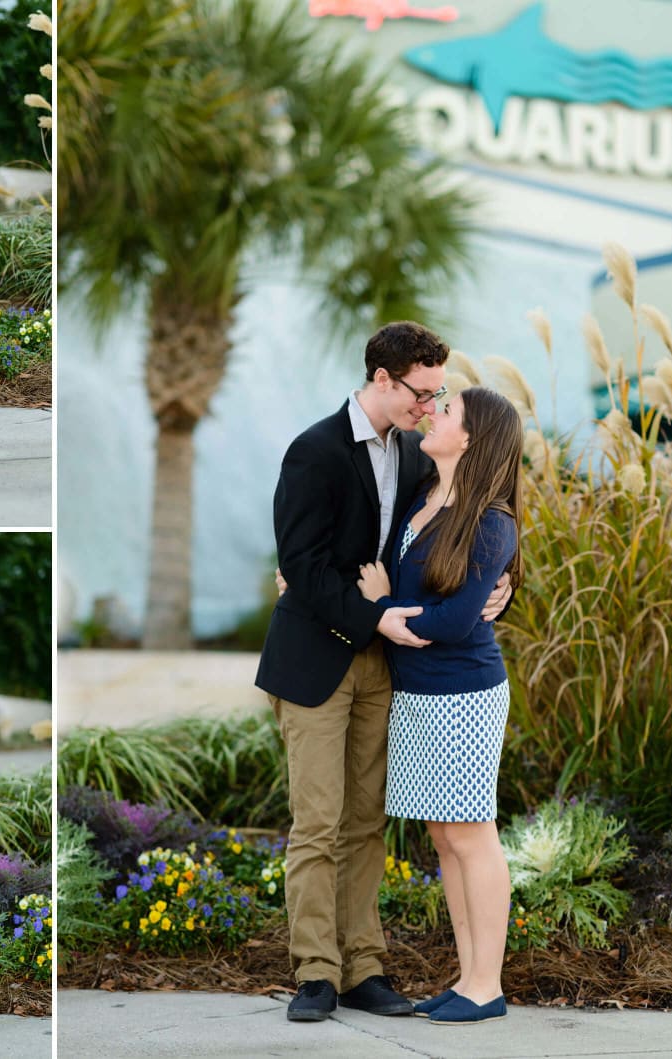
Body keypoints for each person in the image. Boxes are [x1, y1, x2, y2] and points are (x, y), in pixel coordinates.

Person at [254, 321, 511, 1023]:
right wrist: (375, 618)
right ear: (381, 378)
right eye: (420, 393)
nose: (429, 408)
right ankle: (316, 972)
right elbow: (301, 566)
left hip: (384, 667)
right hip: (316, 661)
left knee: (367, 823)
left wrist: (505, 583)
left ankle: (364, 965)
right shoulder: (312, 452)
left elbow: (469, 530)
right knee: (317, 822)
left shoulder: (417, 456)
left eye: (437, 396)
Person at [354, 386, 523, 1026]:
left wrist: (382, 607)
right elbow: (431, 594)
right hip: (418, 693)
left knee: (472, 836)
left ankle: (488, 984)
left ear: (471, 437)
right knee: (444, 835)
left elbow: (454, 621)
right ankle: (466, 976)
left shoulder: (491, 519)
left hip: (465, 694)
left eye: (446, 412)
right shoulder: (424, 496)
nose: (433, 414)